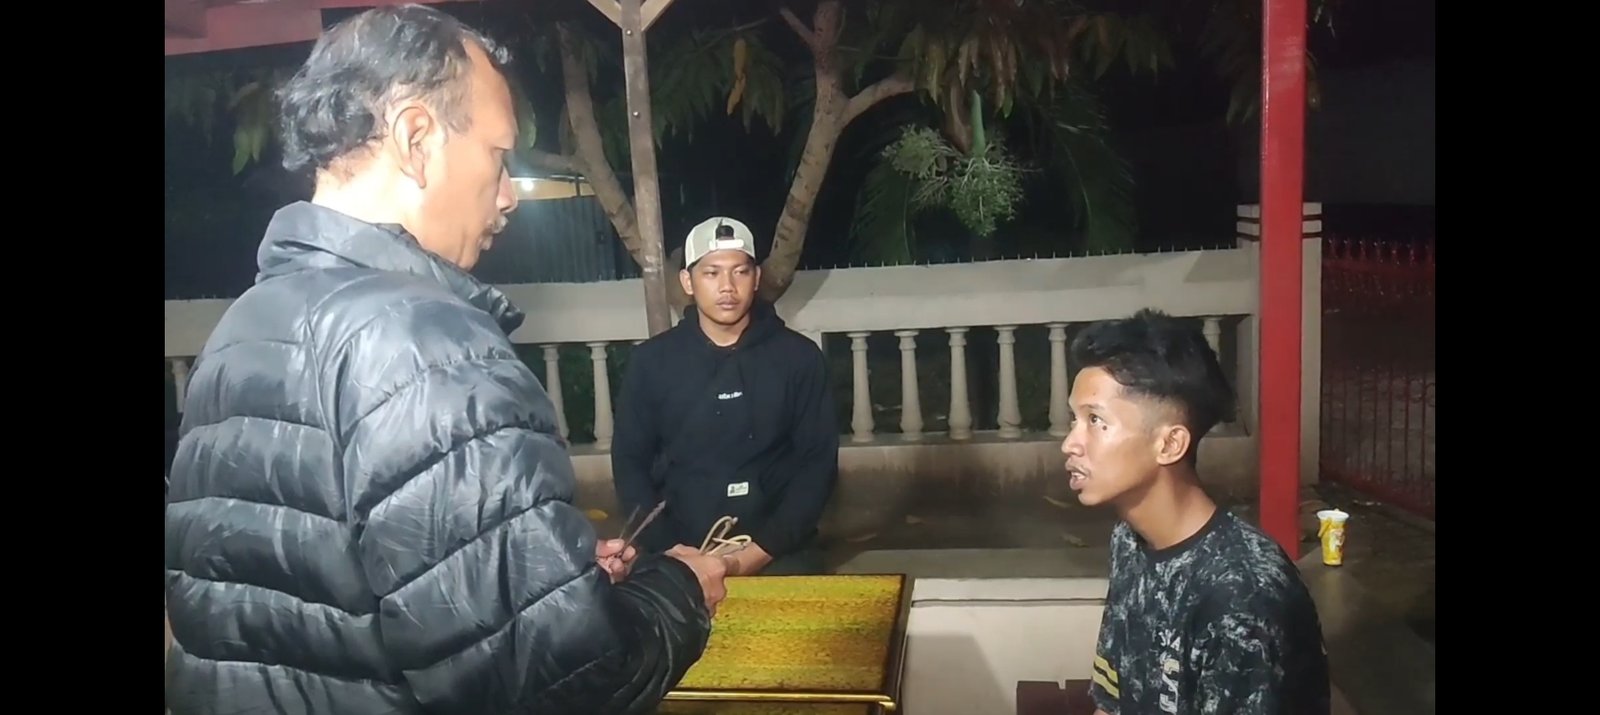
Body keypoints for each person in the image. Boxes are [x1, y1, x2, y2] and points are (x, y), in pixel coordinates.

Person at [163, 7, 727, 714]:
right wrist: (679, 589)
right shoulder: (424, 344)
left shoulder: (241, 328)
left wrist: (549, 581)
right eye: (498, 156)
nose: (508, 195)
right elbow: (563, 682)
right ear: (416, 138)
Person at [1062, 309, 1330, 715]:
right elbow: (1113, 700)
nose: (1070, 443)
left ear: (1170, 444)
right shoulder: (1130, 540)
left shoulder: (1243, 597)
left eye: (1095, 420)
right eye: (1075, 419)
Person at [611, 216, 839, 577]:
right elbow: (629, 462)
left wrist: (754, 555)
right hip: (678, 553)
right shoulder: (651, 362)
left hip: (778, 553)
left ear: (756, 278)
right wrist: (674, 552)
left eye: (740, 272)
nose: (728, 287)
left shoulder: (800, 358)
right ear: (688, 281)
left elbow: (818, 464)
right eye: (712, 273)